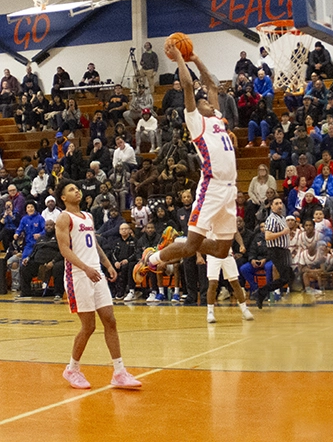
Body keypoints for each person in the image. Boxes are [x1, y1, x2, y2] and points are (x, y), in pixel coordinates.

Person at [134, 43, 238, 281]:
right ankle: (152, 259)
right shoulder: (195, 121)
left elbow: (211, 84)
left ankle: (178, 240)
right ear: (196, 108)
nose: (209, 103)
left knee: (222, 249)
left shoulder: (218, 118)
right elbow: (189, 85)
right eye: (204, 102)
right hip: (211, 187)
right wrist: (181, 58)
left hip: (230, 188)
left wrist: (197, 58)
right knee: (191, 247)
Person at [55, 179, 142, 390]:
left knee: (110, 320)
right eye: (71, 190)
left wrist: (108, 264)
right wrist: (86, 268)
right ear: (63, 198)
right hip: (78, 275)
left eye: (77, 188)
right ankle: (72, 369)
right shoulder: (63, 218)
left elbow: (93, 244)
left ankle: (119, 372)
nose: (77, 191)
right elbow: (65, 250)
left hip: (96, 271)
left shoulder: (88, 216)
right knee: (89, 326)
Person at [255, 197, 295, 309]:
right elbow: (268, 236)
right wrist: (283, 232)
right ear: (271, 206)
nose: (279, 205)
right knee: (285, 277)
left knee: (290, 275)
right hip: (276, 250)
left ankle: (286, 295)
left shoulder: (282, 217)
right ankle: (262, 292)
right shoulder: (271, 219)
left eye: (281, 203)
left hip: (284, 250)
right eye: (276, 203)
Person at [206, 245, 254, 324]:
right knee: (213, 283)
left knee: (235, 282)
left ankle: (244, 309)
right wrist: (199, 255)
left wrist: (241, 244)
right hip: (213, 255)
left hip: (227, 255)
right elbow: (200, 237)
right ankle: (210, 312)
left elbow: (236, 232)